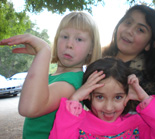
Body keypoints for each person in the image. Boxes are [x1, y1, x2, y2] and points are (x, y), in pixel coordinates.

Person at [0, 11, 101, 139]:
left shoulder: (72, 82)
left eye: (79, 39)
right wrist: (40, 55)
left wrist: (43, 51)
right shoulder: (55, 77)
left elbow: (29, 108)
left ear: (91, 48)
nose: (69, 44)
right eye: (64, 36)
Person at [102, 5, 155, 133]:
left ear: (149, 45)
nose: (129, 30)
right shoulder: (100, 60)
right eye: (128, 22)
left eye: (140, 29)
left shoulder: (148, 78)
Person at [49, 57, 155, 138]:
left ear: (128, 95)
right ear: (88, 95)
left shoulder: (138, 124)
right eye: (100, 97)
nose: (109, 107)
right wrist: (74, 99)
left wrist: (144, 98)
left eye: (118, 97)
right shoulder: (76, 125)